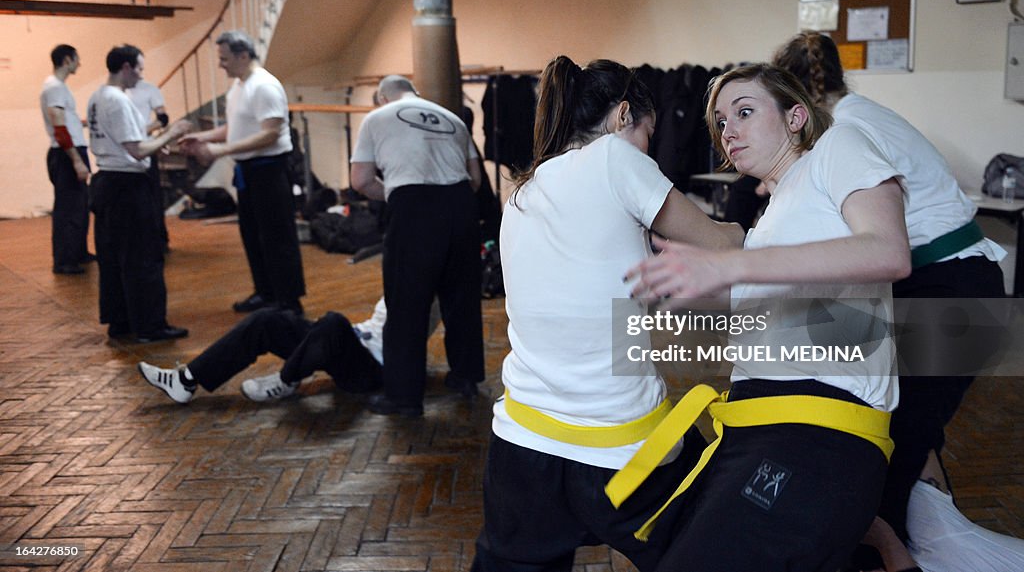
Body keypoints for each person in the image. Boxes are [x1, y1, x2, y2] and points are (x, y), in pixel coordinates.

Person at [623, 64, 911, 572]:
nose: (728, 131)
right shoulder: (769, 221)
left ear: (796, 116)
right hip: (758, 427)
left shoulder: (837, 150)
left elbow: (888, 251)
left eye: (745, 112)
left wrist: (727, 265)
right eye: (720, 121)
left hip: (814, 431)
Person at [470, 57, 744, 572]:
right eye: (648, 134)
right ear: (623, 116)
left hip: (522, 446)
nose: (649, 150)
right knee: (717, 545)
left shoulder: (523, 190)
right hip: (621, 450)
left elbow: (582, 293)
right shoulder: (616, 160)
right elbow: (719, 240)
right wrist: (772, 228)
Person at [772, 31, 1019, 572]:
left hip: (950, 291)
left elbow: (861, 237)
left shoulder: (846, 130)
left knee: (891, 443)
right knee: (908, 430)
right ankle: (917, 540)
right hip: (959, 287)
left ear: (793, 99)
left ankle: (896, 554)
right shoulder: (864, 114)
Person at [350, 75, 485, 416]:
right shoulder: (452, 118)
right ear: (415, 92)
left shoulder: (376, 118)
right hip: (460, 206)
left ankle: (404, 397)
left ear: (381, 98)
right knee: (461, 298)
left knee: (406, 301)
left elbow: (361, 180)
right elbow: (476, 180)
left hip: (413, 205)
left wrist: (397, 194)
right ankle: (465, 378)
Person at [180, 30, 305, 315]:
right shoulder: (239, 86)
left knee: (277, 237)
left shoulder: (264, 86)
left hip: (270, 171)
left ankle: (287, 300)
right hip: (249, 171)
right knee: (252, 234)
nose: (221, 64)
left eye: (224, 59)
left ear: (243, 55)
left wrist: (219, 151)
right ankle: (265, 292)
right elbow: (233, 128)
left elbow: (270, 134)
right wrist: (203, 138)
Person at [136, 298, 440, 404]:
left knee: (333, 323)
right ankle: (186, 380)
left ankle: (286, 379)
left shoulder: (429, 287)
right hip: (354, 342)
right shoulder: (404, 267)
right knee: (268, 319)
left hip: (372, 369)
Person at [87, 44, 191, 343]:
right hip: (127, 186)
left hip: (108, 182)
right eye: (140, 68)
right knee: (142, 257)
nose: (142, 75)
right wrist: (172, 133)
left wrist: (158, 142)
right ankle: (150, 326)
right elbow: (135, 150)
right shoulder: (117, 100)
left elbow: (129, 138)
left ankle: (121, 321)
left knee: (113, 257)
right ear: (126, 67)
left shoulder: (98, 96)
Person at [41, 44, 92, 275]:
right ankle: (64, 261)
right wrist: (76, 161)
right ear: (67, 60)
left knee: (80, 206)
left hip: (70, 151)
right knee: (68, 209)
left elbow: (65, 120)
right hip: (66, 154)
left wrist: (82, 122)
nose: (79, 63)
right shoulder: (54, 87)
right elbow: (59, 126)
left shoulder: (57, 87)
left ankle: (78, 252)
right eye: (77, 58)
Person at [127, 79, 171, 252]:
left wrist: (145, 131)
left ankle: (159, 240)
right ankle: (137, 240)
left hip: (146, 147)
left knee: (153, 196)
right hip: (124, 151)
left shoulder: (149, 89)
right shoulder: (115, 92)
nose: (140, 72)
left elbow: (163, 118)